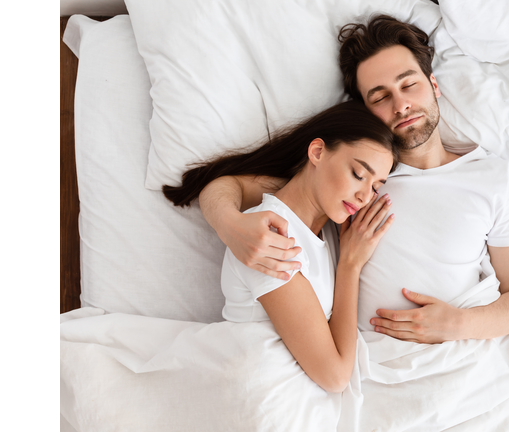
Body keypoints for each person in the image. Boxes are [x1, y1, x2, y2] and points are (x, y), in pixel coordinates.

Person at [197, 15, 509, 345]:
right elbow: (230, 185)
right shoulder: (350, 175)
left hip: (457, 350)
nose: (401, 104)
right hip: (362, 364)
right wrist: (228, 224)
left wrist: (457, 325)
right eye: (380, 97)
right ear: (365, 109)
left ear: (433, 85)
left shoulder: (490, 177)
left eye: (409, 84)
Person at [163, 101, 399, 393]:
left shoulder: (327, 227)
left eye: (376, 186)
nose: (365, 196)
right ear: (317, 152)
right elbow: (336, 377)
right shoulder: (272, 237)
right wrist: (350, 266)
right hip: (260, 393)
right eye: (359, 175)